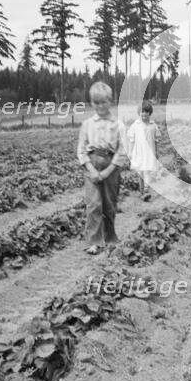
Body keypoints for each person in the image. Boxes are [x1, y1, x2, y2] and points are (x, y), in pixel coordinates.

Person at [77, 81, 125, 255]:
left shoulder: (118, 124)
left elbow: (122, 150)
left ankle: (110, 237)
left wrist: (108, 170)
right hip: (92, 164)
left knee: (109, 204)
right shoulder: (87, 124)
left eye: (103, 102)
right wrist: (91, 169)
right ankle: (94, 241)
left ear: (110, 101)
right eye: (96, 102)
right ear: (92, 103)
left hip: (111, 165)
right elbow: (81, 150)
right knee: (94, 204)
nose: (100, 106)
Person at [127, 100, 161, 201]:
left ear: (150, 113)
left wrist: (157, 151)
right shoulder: (135, 125)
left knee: (147, 171)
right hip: (138, 152)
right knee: (140, 171)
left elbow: (156, 140)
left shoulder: (153, 126)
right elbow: (131, 140)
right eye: (142, 112)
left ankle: (146, 190)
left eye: (146, 112)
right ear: (139, 113)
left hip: (149, 152)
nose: (144, 114)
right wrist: (130, 152)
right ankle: (142, 191)